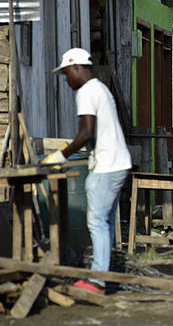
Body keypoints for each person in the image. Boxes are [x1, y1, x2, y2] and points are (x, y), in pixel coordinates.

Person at [42, 48, 132, 294]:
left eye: (66, 74)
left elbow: (86, 132)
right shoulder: (101, 88)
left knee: (96, 223)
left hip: (107, 166)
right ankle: (104, 274)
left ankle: (98, 281)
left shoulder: (86, 91)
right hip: (118, 162)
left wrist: (60, 155)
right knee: (104, 224)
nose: (67, 80)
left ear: (75, 67)